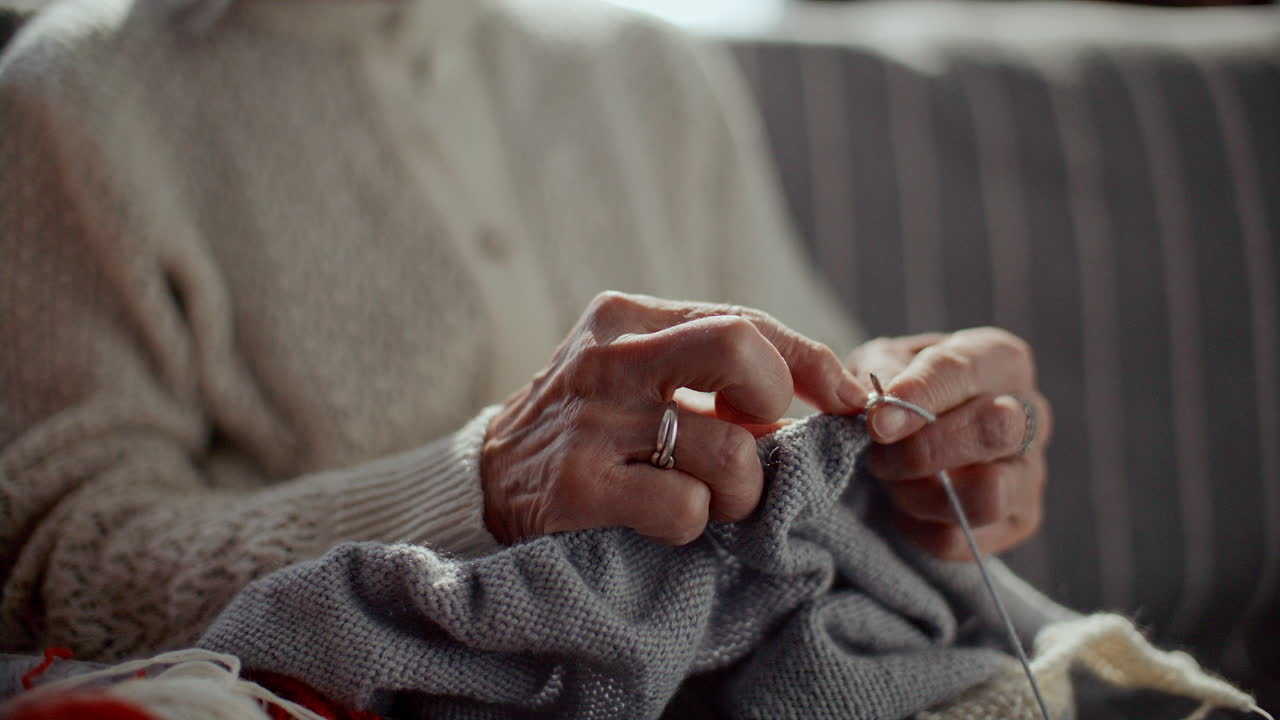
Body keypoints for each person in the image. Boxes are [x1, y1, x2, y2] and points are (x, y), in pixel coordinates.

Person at [0, 0, 1052, 663]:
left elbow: (823, 401)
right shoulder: (80, 94)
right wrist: (476, 485)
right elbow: (54, 574)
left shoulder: (650, 69)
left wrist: (915, 456)